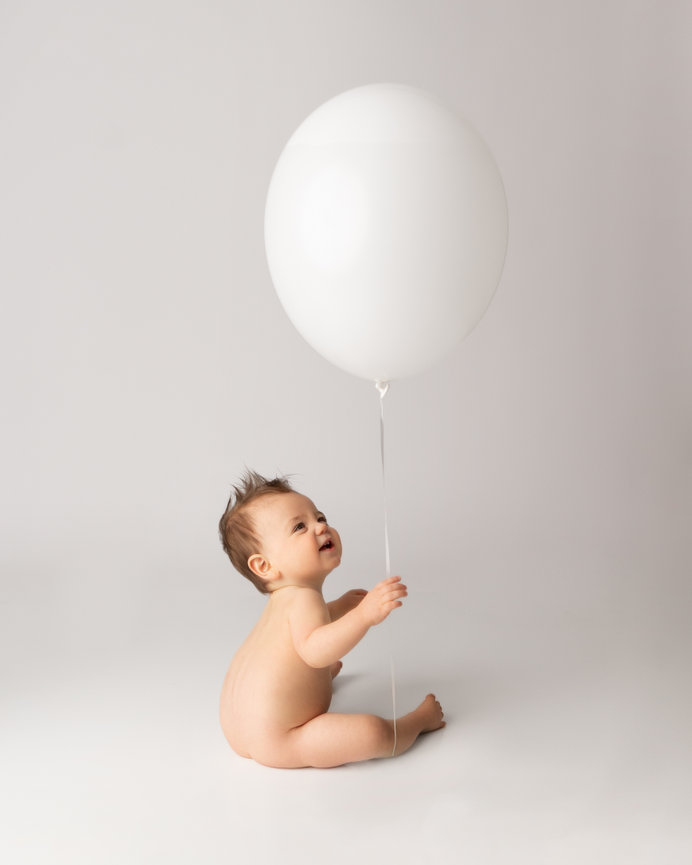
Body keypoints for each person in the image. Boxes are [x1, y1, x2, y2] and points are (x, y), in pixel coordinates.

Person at [218, 470, 445, 769]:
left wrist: (340, 607)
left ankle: (312, 684)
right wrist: (364, 615)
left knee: (302, 664)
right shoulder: (304, 599)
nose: (321, 526)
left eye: (320, 517)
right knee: (372, 733)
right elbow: (315, 651)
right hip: (281, 738)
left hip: (236, 727)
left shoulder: (285, 600)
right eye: (299, 526)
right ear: (264, 566)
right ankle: (417, 722)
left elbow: (297, 637)